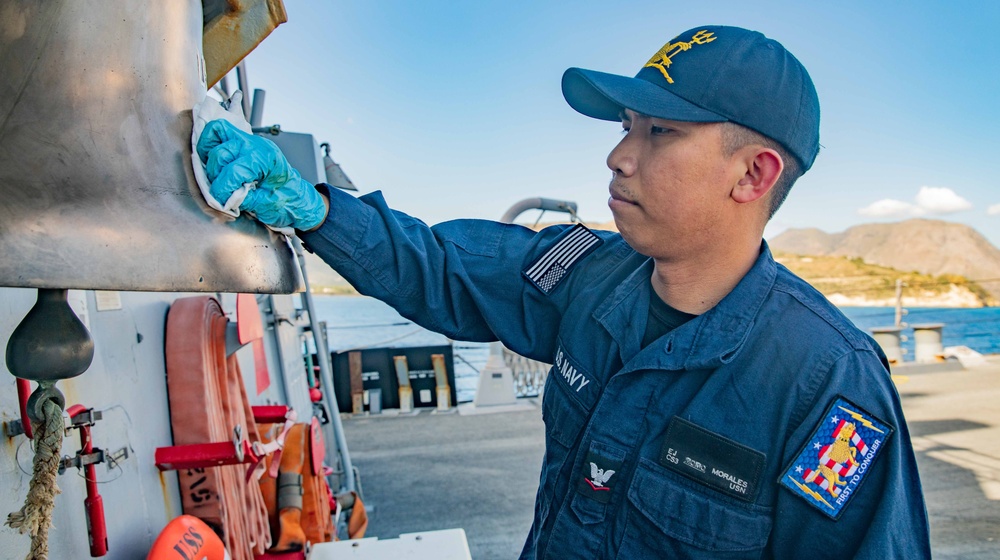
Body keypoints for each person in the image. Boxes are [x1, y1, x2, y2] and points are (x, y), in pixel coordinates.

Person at [198, 24, 931, 559]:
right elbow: (444, 267)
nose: (618, 156)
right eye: (626, 126)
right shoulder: (586, 272)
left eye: (660, 132)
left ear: (754, 175)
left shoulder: (828, 386)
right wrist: (321, 210)